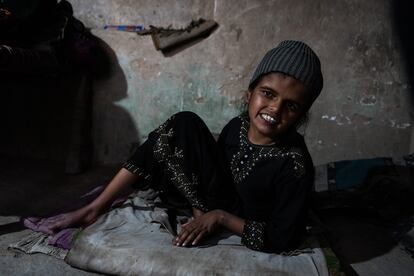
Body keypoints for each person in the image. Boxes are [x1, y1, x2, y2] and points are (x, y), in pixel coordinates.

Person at [49, 40, 323, 253]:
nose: (275, 109)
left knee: (181, 149)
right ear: (250, 93)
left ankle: (206, 214)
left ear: (301, 115)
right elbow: (215, 167)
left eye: (291, 105)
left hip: (241, 217)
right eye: (268, 93)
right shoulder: (238, 126)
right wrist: (199, 198)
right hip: (215, 199)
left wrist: (221, 219)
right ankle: (95, 207)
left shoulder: (294, 164)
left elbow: (283, 238)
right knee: (184, 123)